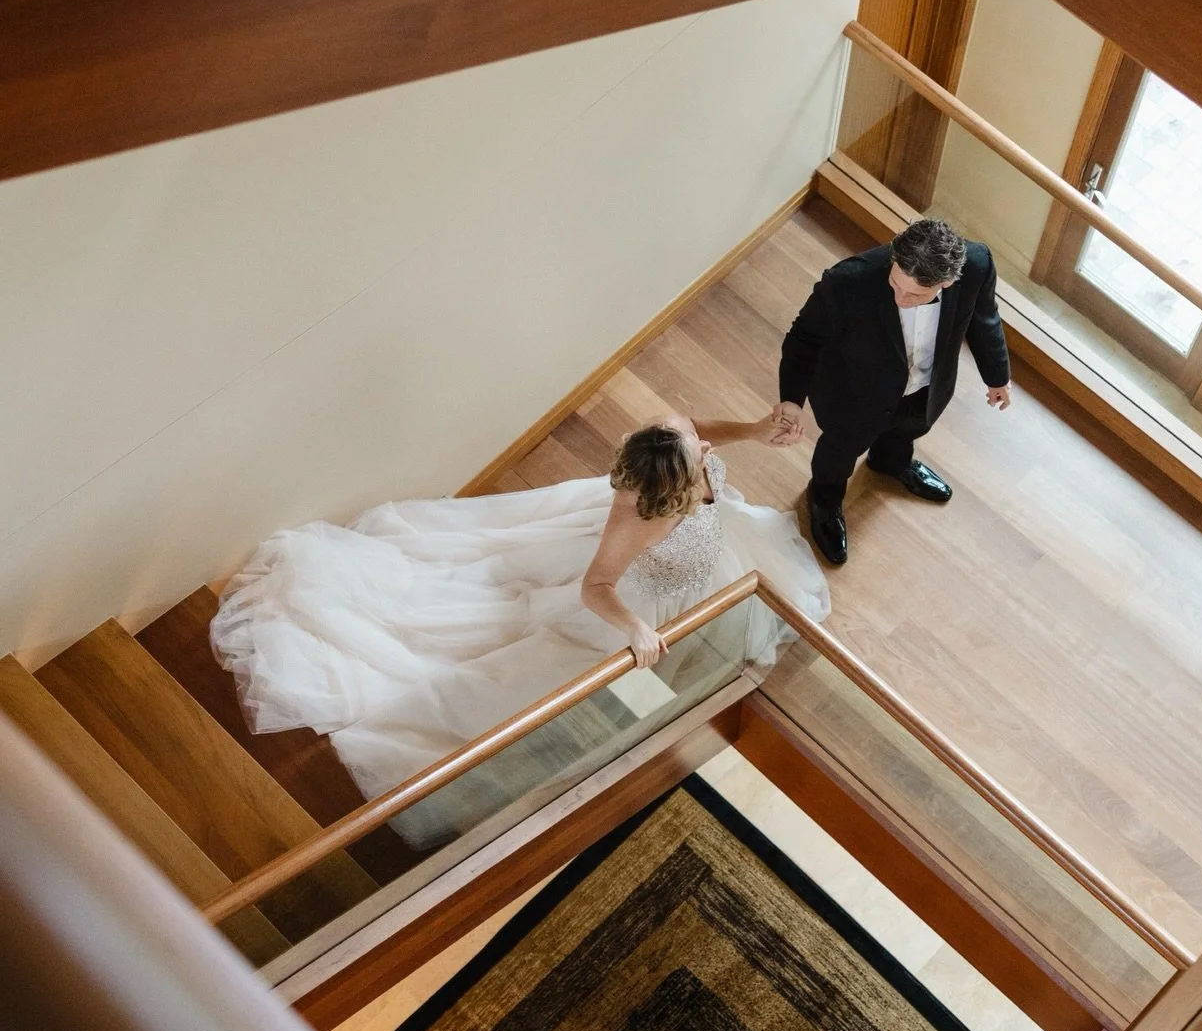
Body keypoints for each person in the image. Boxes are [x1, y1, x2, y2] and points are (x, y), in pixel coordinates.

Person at [210, 412, 827, 845]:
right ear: (664, 496)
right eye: (695, 471)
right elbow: (596, 588)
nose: (705, 467)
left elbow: (695, 424)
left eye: (700, 460)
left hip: (709, 560)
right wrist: (637, 627)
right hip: (647, 592)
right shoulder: (635, 520)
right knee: (536, 673)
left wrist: (749, 430)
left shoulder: (676, 440)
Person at [773, 218, 1012, 565]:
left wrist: (997, 376)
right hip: (852, 394)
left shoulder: (977, 265)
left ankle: (890, 463)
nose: (900, 299)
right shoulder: (846, 282)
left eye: (914, 294)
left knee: (909, 429)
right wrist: (791, 400)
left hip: (925, 388)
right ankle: (823, 502)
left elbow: (984, 318)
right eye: (895, 284)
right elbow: (803, 340)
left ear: (947, 281)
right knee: (839, 452)